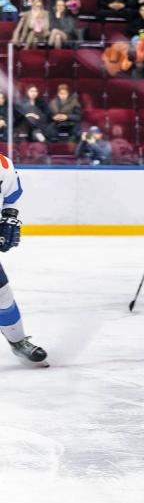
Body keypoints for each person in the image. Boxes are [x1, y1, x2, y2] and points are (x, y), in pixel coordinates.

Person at [0, 152, 48, 367]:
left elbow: (11, 197)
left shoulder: (2, 164)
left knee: (1, 293)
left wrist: (9, 218)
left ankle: (18, 342)